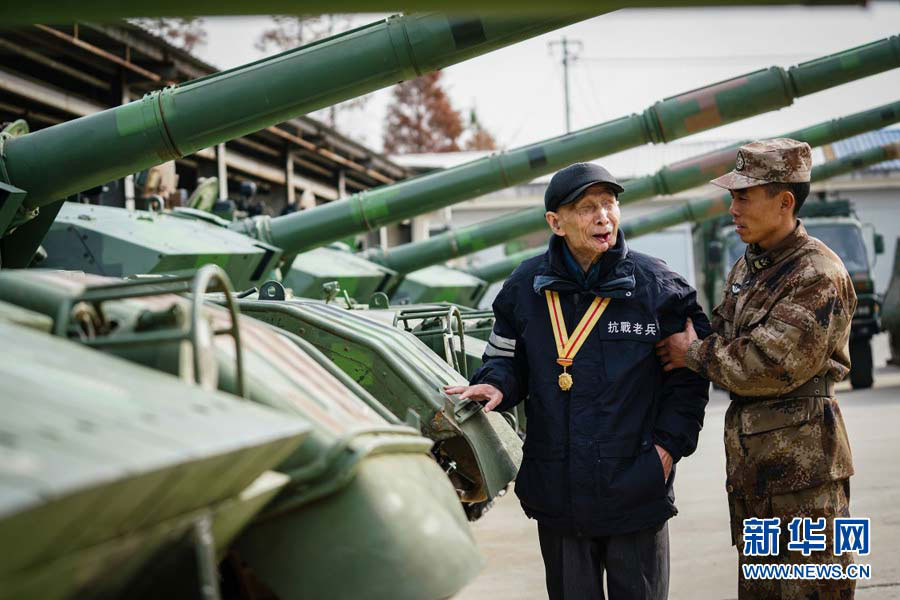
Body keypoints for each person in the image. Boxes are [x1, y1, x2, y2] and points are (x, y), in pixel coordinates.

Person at [445, 162, 711, 600]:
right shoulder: (524, 288)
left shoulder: (659, 288)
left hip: (636, 486)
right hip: (559, 489)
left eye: (609, 204)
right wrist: (497, 384)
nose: (603, 217)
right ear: (556, 223)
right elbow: (504, 358)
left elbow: (689, 380)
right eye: (588, 208)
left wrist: (666, 450)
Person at [655, 139, 857, 599]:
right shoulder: (751, 266)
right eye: (733, 197)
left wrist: (694, 354)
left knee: (813, 588)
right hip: (757, 475)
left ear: (784, 202)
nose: (733, 209)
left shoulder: (816, 274)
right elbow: (725, 334)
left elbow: (770, 364)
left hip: (805, 478)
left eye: (744, 197)